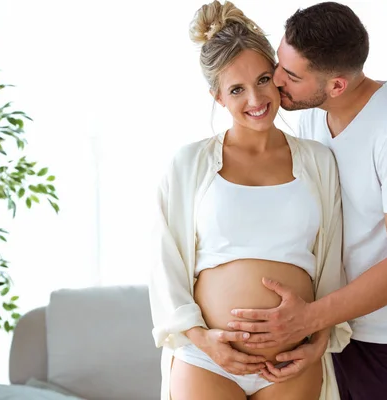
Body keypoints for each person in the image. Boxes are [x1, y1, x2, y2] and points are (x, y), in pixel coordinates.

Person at [228, 2, 387, 399]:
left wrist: (308, 319)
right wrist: (319, 328)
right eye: (280, 63)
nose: (276, 81)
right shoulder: (313, 115)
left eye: (292, 76)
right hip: (337, 331)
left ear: (336, 85)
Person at [148, 1, 351, 399]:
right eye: (236, 89)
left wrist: (320, 338)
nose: (255, 98)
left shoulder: (318, 161)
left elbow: (332, 259)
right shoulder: (189, 164)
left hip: (292, 360)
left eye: (262, 80)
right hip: (207, 358)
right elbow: (164, 262)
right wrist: (202, 340)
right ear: (218, 97)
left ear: (278, 76)